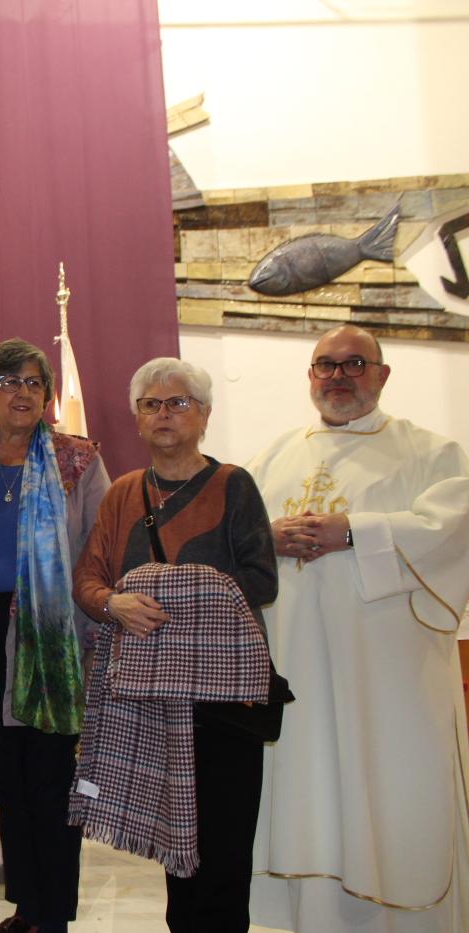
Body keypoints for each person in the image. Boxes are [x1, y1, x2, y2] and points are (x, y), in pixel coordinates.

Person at [246, 324, 469, 933]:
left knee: (385, 796)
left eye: (354, 364)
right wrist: (268, 537)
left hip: (387, 680)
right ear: (310, 377)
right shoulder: (273, 456)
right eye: (325, 365)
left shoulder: (431, 453)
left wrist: (353, 532)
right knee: (308, 790)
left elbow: (453, 532)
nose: (337, 376)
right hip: (296, 671)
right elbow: (236, 544)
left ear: (382, 374)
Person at [71, 357, 276, 933]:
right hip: (151, 696)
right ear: (137, 418)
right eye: (151, 404)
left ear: (204, 416)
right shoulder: (122, 494)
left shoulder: (234, 485)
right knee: (175, 845)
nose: (164, 414)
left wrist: (166, 595)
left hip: (225, 700)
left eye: (178, 402)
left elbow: (261, 581)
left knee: (226, 843)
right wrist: (116, 603)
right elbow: (88, 580)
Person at [0, 339, 110, 933]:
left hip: (53, 637)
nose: (23, 392)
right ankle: (27, 906)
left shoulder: (77, 460)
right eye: (10, 381)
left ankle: (52, 914)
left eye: (34, 382)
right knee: (8, 781)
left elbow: (99, 553)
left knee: (51, 780)